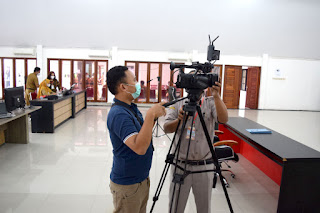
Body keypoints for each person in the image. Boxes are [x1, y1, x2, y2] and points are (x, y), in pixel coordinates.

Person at [163, 72, 228, 213]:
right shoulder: (177, 103)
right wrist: (179, 120)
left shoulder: (211, 102)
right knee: (175, 208)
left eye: (199, 80)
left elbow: (223, 119)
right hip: (180, 165)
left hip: (204, 166)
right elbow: (167, 128)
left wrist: (217, 95)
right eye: (191, 80)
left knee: (204, 209)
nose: (195, 83)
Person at [107, 66, 166, 213]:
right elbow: (139, 148)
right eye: (133, 80)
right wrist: (150, 115)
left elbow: (141, 135)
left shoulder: (130, 108)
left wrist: (152, 118)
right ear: (123, 87)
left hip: (140, 180)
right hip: (128, 185)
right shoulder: (119, 114)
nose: (137, 84)